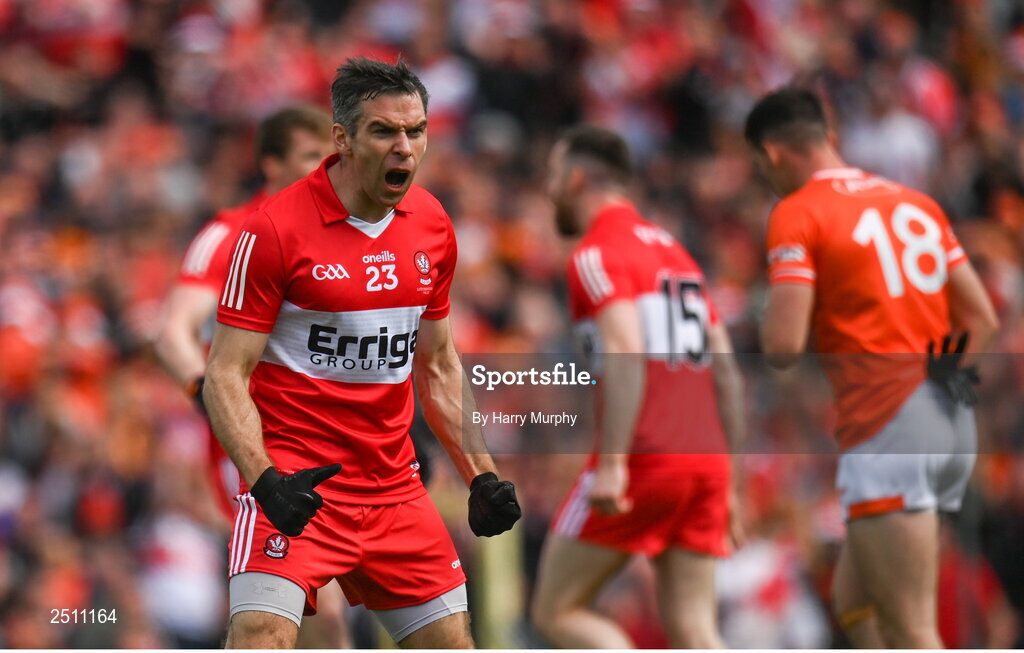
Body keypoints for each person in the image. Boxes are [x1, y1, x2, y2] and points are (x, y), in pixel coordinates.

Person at [203, 57, 521, 650]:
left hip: (395, 491)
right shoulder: (272, 231)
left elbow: (440, 364)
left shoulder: (431, 224)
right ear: (343, 139)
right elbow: (224, 373)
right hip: (299, 485)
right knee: (259, 637)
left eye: (416, 131)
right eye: (384, 131)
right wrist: (264, 480)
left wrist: (480, 475)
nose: (405, 147)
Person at [745, 87, 1000, 648]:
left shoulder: (798, 212)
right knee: (854, 603)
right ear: (829, 139)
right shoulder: (916, 202)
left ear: (772, 154)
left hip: (888, 424)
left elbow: (783, 344)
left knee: (913, 629)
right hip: (940, 422)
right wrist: (945, 387)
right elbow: (981, 317)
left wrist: (765, 312)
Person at [530, 125, 746, 649]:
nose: (550, 190)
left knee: (556, 612)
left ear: (577, 179)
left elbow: (625, 349)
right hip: (705, 463)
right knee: (696, 628)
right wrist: (732, 480)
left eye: (556, 178)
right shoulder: (678, 254)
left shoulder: (595, 254)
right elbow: (727, 373)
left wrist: (613, 463)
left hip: (646, 459)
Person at [156, 104, 334, 521]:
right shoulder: (228, 233)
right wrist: (206, 394)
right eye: (310, 155)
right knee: (296, 576)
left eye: (330, 156)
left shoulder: (340, 236)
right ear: (271, 165)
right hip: (257, 445)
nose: (325, 167)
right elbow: (171, 332)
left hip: (325, 435)